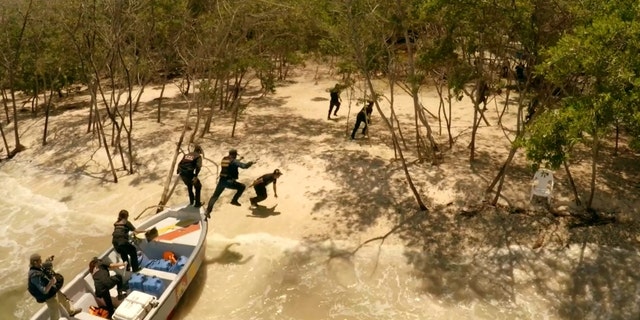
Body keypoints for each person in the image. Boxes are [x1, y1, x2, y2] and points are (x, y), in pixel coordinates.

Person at [27, 253, 82, 319]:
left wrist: (48, 260)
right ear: (35, 262)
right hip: (49, 296)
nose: (41, 261)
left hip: (52, 290)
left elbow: (44, 266)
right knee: (54, 312)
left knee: (64, 299)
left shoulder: (38, 267)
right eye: (39, 260)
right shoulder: (34, 276)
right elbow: (44, 291)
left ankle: (72, 311)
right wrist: (51, 282)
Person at [205, 149, 254, 218]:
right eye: (236, 155)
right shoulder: (234, 161)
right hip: (229, 182)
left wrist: (239, 159)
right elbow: (244, 166)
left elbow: (232, 164)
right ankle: (234, 200)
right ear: (234, 155)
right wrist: (250, 163)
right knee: (242, 187)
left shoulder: (224, 159)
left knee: (215, 196)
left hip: (221, 181)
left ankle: (208, 211)